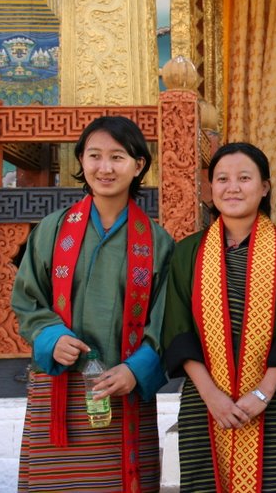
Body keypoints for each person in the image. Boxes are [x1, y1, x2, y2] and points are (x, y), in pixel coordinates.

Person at [12, 116, 175, 492]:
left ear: (139, 166)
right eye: (95, 156)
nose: (105, 168)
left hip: (123, 392)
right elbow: (27, 299)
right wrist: (51, 336)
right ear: (81, 162)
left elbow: (168, 318)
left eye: (117, 157)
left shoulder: (157, 241)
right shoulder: (51, 230)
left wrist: (137, 369)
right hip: (59, 393)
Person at [163, 142, 276, 492]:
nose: (232, 187)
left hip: (275, 399)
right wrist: (211, 395)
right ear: (209, 187)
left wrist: (262, 393)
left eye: (244, 178)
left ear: (264, 187)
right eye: (222, 179)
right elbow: (178, 330)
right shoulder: (188, 252)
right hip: (204, 402)